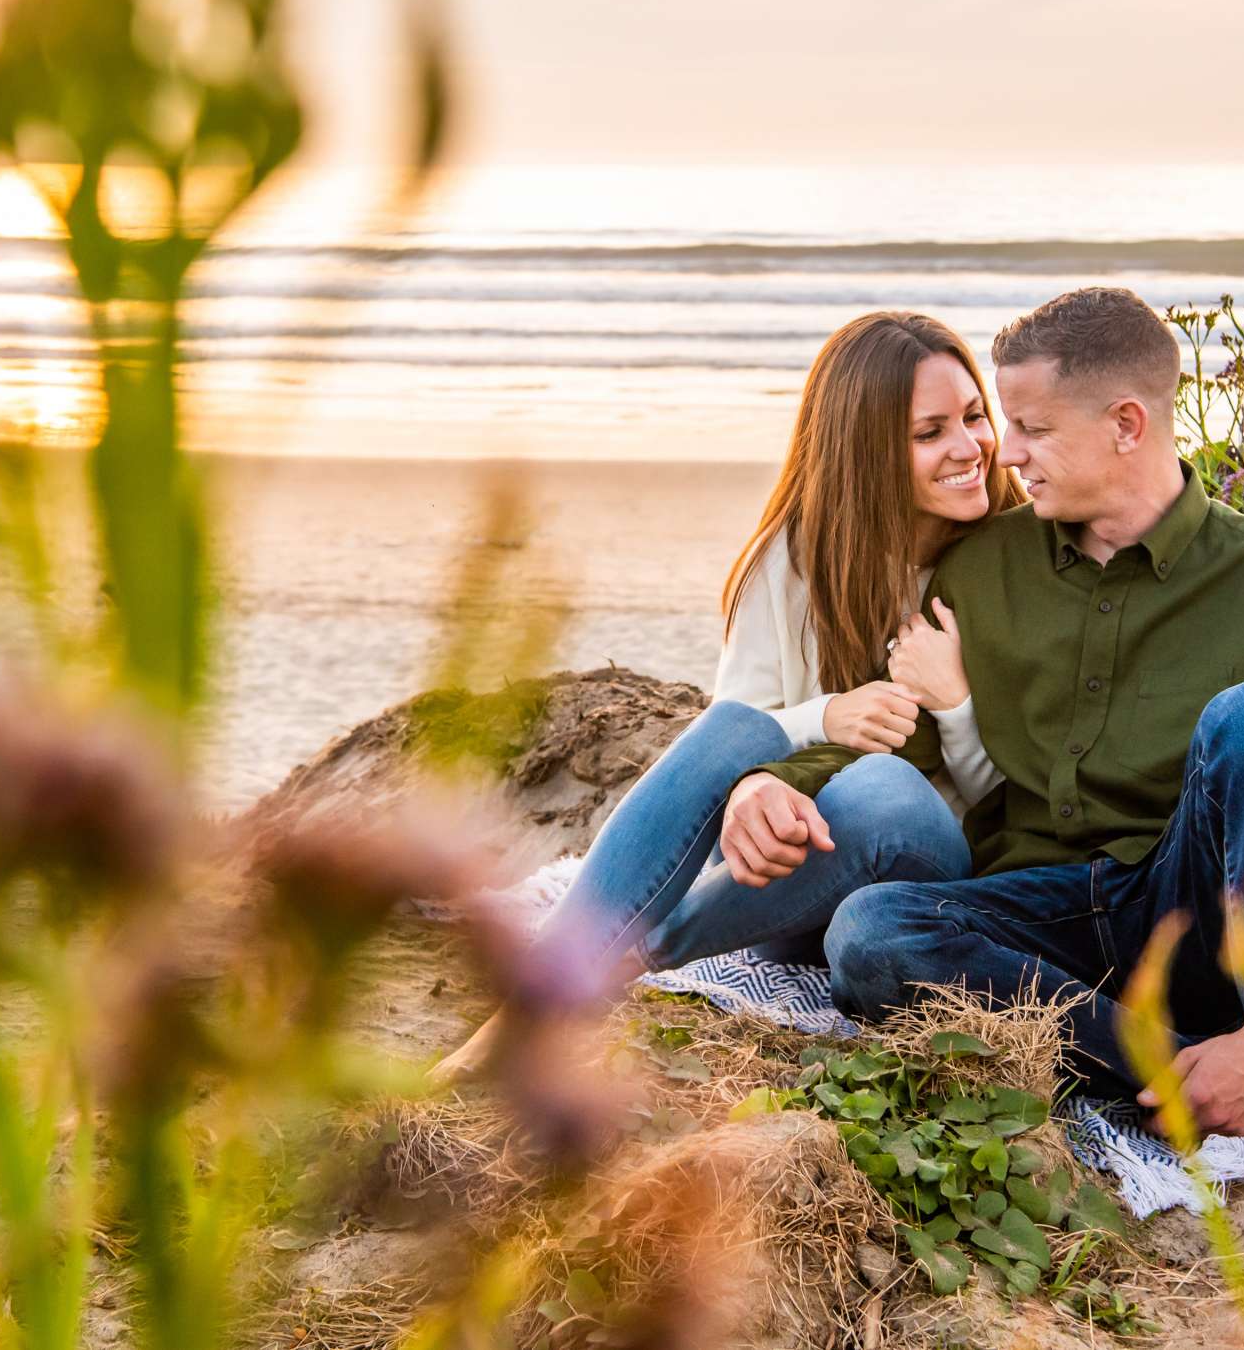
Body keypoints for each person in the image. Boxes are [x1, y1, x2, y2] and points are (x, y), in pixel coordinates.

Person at [756, 287, 1244, 1349]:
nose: (1006, 454)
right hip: (1040, 928)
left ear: (1126, 425)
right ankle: (1224, 1070)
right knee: (872, 933)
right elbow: (882, 732)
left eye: (1029, 430)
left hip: (1202, 915)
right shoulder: (974, 569)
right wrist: (767, 780)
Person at [430, 311, 1022, 1084]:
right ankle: (534, 1001)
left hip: (921, 889)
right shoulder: (793, 559)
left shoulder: (1018, 556)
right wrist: (798, 744)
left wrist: (955, 703)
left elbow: (1014, 803)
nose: (968, 448)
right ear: (866, 449)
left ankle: (626, 957)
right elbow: (735, 739)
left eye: (975, 417)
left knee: (885, 787)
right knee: (736, 728)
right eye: (929, 432)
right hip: (780, 897)